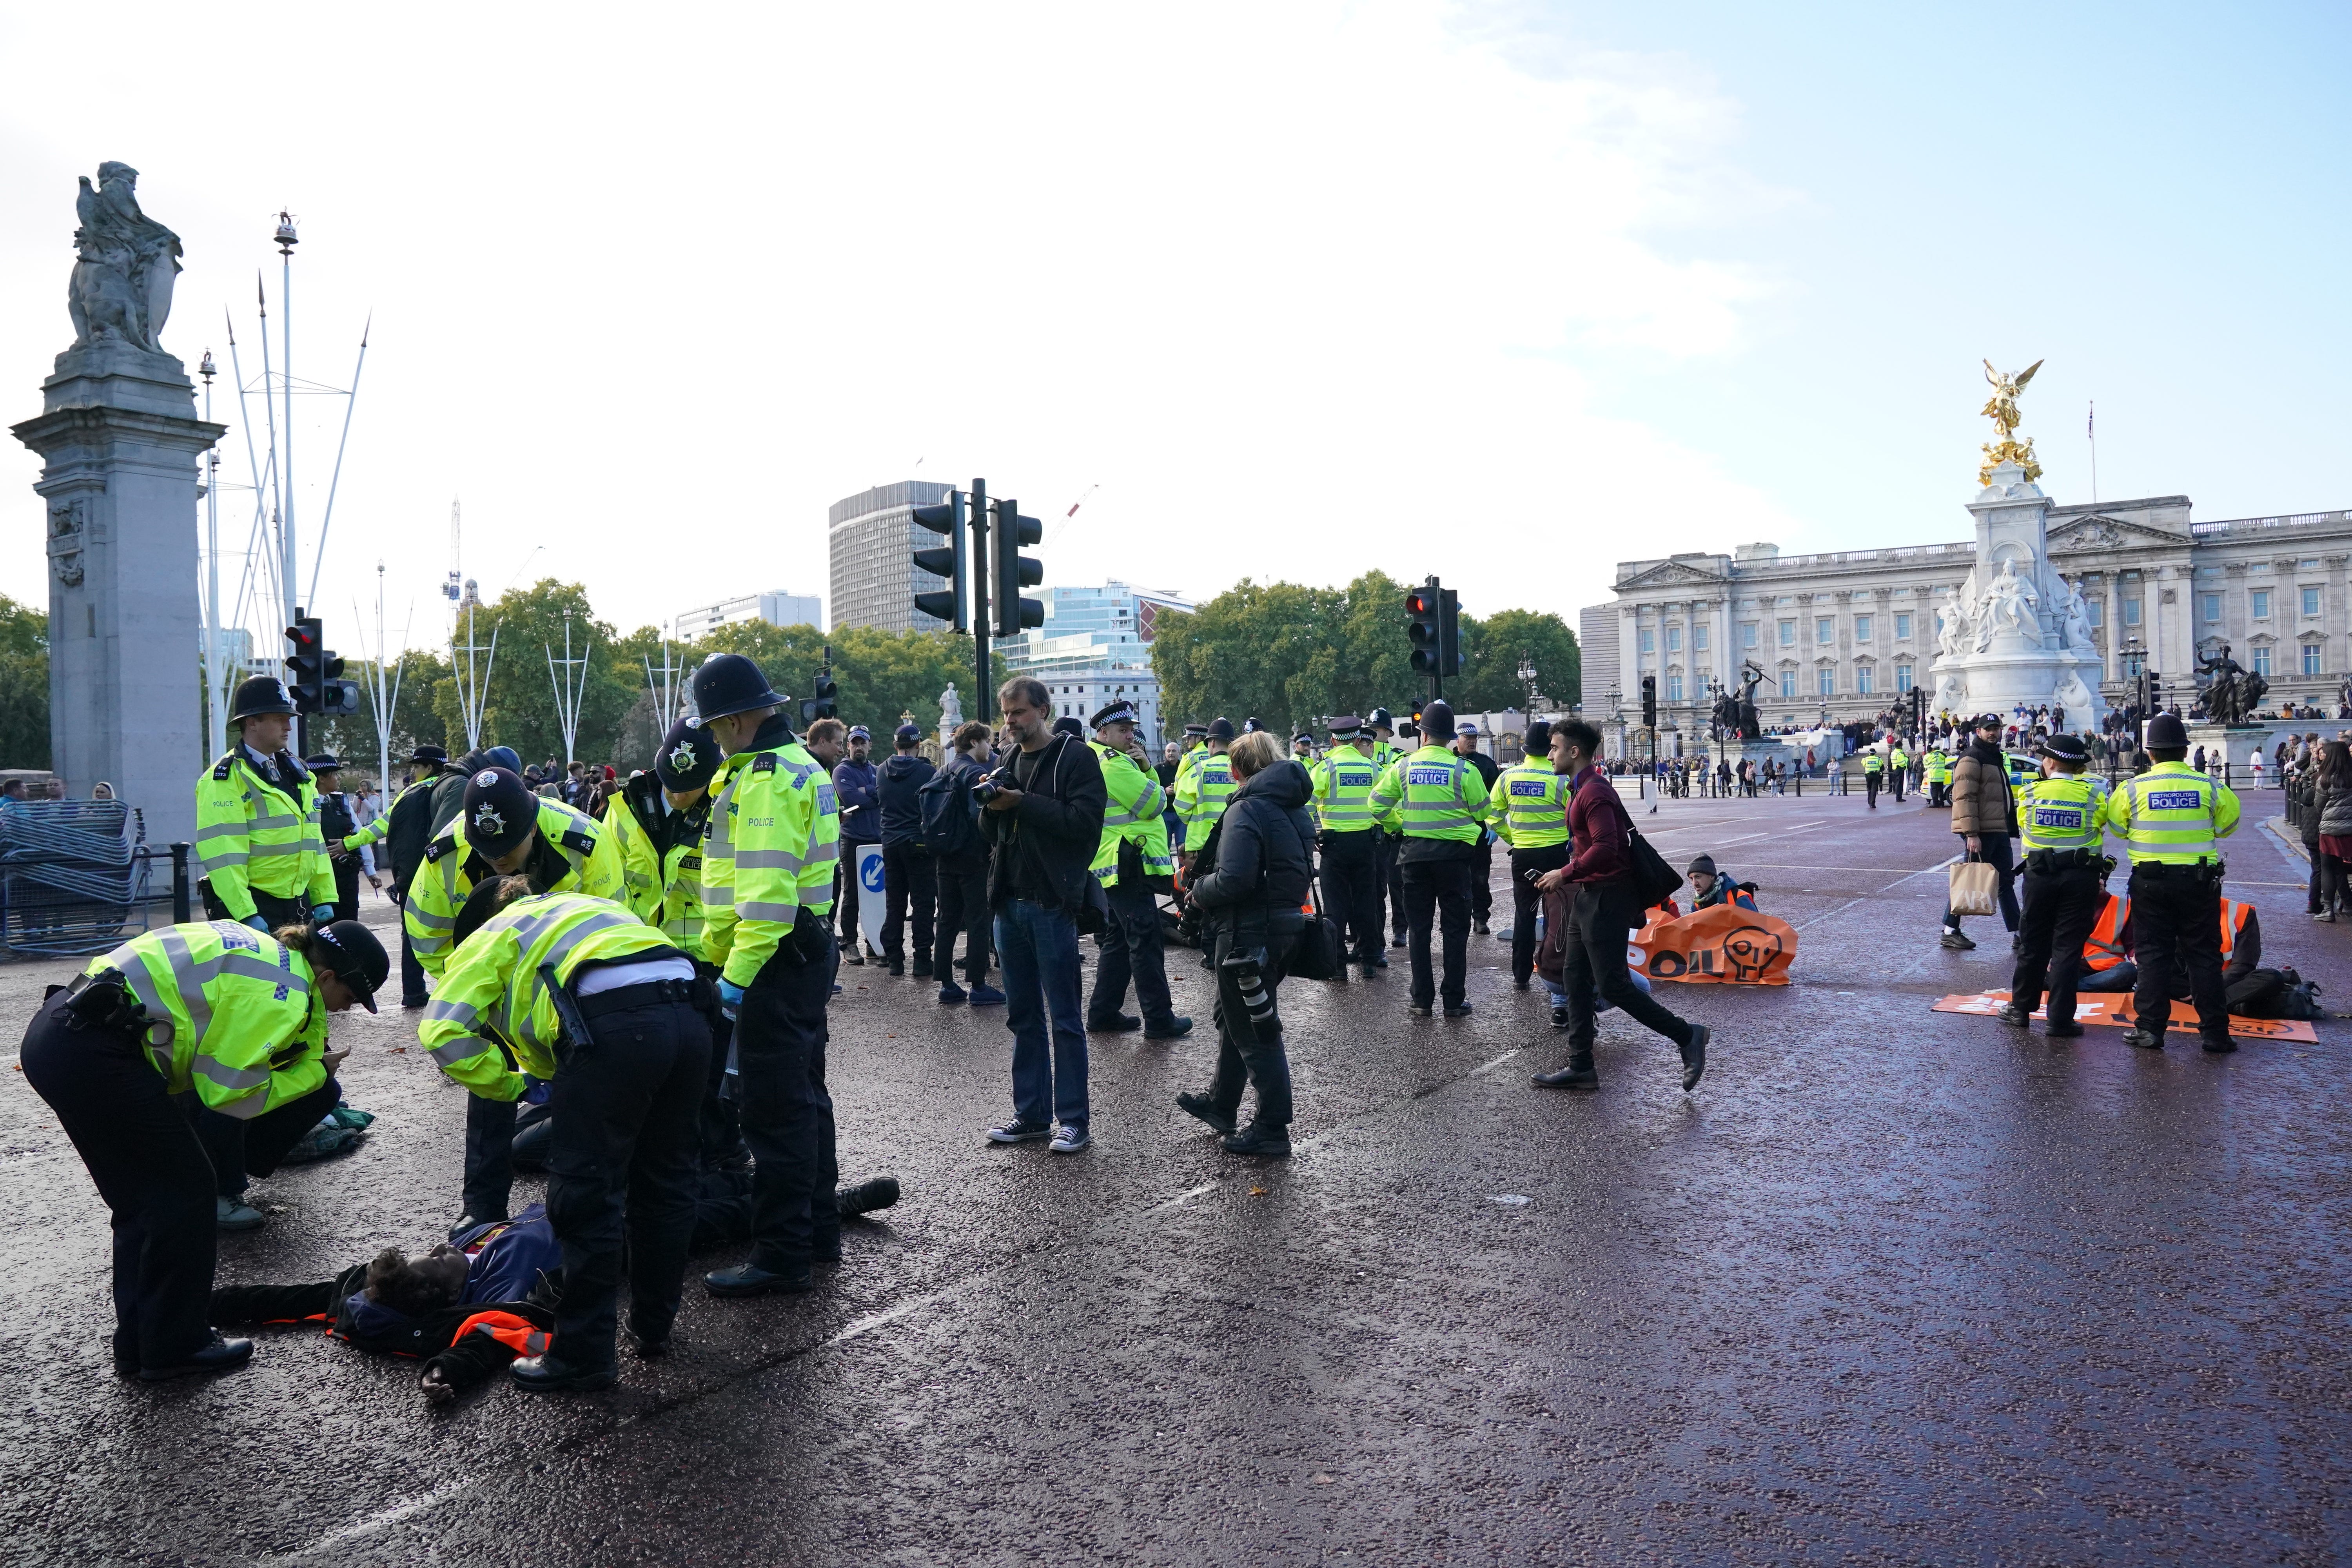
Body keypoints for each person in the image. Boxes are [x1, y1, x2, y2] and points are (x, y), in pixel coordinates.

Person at [20, 917, 385, 1379]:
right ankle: (175, 1346)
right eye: (350, 998)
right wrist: (316, 1073)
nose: (346, 1010)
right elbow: (231, 1094)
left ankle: (143, 1342)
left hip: (65, 1033)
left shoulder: (266, 955)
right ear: (327, 976)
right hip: (99, 1049)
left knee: (145, 1204)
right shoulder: (286, 993)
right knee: (188, 1193)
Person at [421, 880, 708, 1390]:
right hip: (690, 1014)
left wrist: (510, 1085)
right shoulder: (585, 909)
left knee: (586, 1198)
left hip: (614, 1028)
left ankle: (583, 1354)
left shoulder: (492, 935)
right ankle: (653, 1327)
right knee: (667, 1183)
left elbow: (440, 1030)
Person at [408, 766, 626, 1232]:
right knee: (490, 1081)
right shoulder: (446, 856)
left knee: (586, 1078)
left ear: (533, 828)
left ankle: (586, 1201)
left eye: (507, 853)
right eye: (487, 854)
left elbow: (615, 923)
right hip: (490, 974)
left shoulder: (582, 841)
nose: (497, 863)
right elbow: (428, 935)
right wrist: (473, 994)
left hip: (573, 981)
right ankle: (482, 1209)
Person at [693, 652, 844, 1298]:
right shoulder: (795, 766)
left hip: (773, 960)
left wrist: (733, 979)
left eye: (716, 725)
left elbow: (763, 896)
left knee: (773, 1111)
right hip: (803, 952)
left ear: (732, 720)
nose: (715, 737)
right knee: (807, 1098)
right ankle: (816, 1232)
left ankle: (782, 1255)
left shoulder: (762, 780)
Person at [1532, 720, 1710, 1092]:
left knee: (1613, 985)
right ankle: (1581, 1065)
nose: (1550, 754)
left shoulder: (1594, 793)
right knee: (1575, 980)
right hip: (1590, 897)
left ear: (1574, 752)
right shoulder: (1582, 788)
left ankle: (1687, 1035)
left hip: (1607, 898)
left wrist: (1564, 873)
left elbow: (1606, 847)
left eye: (1554, 747)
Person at [979, 677, 1108, 1154]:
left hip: (1051, 905)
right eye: (1006, 714)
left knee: (1065, 1019)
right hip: (1008, 905)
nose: (1009, 722)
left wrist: (1022, 803)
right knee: (1022, 1017)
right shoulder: (1008, 759)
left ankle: (1074, 1120)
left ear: (1043, 710)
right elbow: (988, 832)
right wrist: (992, 805)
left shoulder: (1076, 758)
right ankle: (1031, 1114)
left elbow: (1083, 827)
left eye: (1018, 713)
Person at [1175, 730, 1311, 1156]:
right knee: (1232, 1015)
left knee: (1255, 1030)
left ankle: (1272, 1127)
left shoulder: (1247, 808)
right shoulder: (1292, 805)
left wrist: (1198, 891)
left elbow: (1235, 879)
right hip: (1284, 925)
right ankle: (1222, 1102)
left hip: (1246, 933)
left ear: (1237, 770)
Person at [2102, 711, 2242, 1052]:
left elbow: (2118, 829)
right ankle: (2215, 1034)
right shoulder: (2210, 786)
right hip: (2198, 881)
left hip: (2150, 882)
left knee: (2152, 955)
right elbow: (2227, 826)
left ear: (2150, 753)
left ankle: (2150, 1030)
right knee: (2204, 956)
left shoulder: (2132, 788)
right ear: (2184, 751)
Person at [1369, 700, 1489, 1018]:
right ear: (1450, 737)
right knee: (1455, 930)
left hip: (1415, 857)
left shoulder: (1403, 766)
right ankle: (1453, 1000)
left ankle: (1421, 999)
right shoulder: (1465, 769)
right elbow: (1483, 812)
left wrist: (1398, 826)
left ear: (1422, 735)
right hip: (1454, 861)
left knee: (1419, 930)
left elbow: (1377, 805)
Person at [193, 675, 336, 934]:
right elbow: (224, 855)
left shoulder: (299, 774)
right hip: (256, 907)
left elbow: (314, 841)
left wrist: (323, 894)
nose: (289, 727)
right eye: (279, 719)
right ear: (252, 722)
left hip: (298, 905)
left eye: (289, 719)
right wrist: (246, 913)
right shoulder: (225, 779)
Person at [1084, 701, 1189, 1040]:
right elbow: (1155, 803)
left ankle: (1103, 1012)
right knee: (1145, 940)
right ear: (1103, 734)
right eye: (1123, 731)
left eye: (1131, 729)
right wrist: (1148, 771)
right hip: (1127, 863)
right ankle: (1160, 1021)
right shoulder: (1116, 766)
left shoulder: (1103, 759)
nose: (1131, 736)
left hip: (1116, 863)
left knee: (1118, 940)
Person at [1996, 733, 2107, 1038]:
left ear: (2050, 762)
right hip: (2080, 877)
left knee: (2033, 944)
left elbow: (2023, 826)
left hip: (2040, 875)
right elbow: (2100, 823)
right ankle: (2060, 1020)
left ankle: (2021, 1010)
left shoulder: (2031, 793)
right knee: (2068, 949)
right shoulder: (2093, 795)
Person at [344, 743, 452, 1008]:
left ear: (428, 768)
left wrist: (348, 844)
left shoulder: (410, 794)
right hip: (444, 872)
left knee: (411, 931)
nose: (413, 772)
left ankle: (414, 990)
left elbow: (380, 827)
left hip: (410, 873)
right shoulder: (451, 788)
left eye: (416, 767)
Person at [1487, 719, 1569, 992]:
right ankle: (1553, 970)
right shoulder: (1562, 779)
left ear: (1524, 750)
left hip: (1523, 854)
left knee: (1524, 915)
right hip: (1557, 855)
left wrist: (1514, 839)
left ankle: (1521, 975)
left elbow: (1493, 818)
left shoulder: (1508, 777)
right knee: (1558, 914)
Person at [1308, 716, 1388, 978]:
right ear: (1357, 740)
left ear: (1333, 741)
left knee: (1335, 906)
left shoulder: (1325, 768)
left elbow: (1305, 803)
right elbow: (1386, 803)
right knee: (1366, 903)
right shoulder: (1373, 768)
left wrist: (1313, 832)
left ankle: (1338, 965)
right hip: (1366, 845)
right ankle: (1368, 961)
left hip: (1334, 846)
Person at [929, 721, 1002, 1004]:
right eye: (987, 741)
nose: (991, 747)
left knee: (947, 919)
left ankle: (947, 984)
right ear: (974, 742)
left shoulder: (943, 770)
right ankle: (978, 985)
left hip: (945, 853)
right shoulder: (975, 772)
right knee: (978, 918)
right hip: (972, 854)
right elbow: (980, 815)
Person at [1941, 715, 2021, 950]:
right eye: (1988, 729)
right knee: (1968, 882)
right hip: (1983, 831)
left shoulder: (1994, 756)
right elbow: (1964, 798)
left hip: (1998, 828)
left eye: (1996, 728)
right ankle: (1949, 931)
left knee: (2005, 882)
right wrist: (1971, 834)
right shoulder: (1972, 758)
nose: (1993, 732)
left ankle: (2018, 933)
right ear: (1978, 732)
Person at [876, 723, 937, 978]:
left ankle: (895, 960)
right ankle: (922, 959)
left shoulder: (881, 771)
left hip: (890, 844)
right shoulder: (927, 772)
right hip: (918, 843)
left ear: (895, 745)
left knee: (895, 904)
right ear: (918, 744)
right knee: (923, 904)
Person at [829, 723, 882, 966]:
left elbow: (882, 796)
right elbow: (851, 798)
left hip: (876, 839)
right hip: (853, 839)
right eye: (854, 743)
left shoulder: (876, 769)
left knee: (877, 894)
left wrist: (866, 792)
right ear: (848, 746)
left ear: (869, 745)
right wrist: (871, 793)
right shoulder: (842, 771)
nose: (858, 747)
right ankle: (849, 943)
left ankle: (874, 942)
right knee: (852, 895)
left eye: (863, 743)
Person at [1452, 722, 1500, 933]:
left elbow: (1497, 798)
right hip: (1454, 831)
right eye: (1467, 738)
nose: (1472, 742)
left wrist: (1494, 825)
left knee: (1480, 879)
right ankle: (1454, 919)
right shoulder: (1449, 762)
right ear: (1458, 740)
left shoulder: (1486, 765)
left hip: (1480, 830)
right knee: (1453, 880)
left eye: (1475, 739)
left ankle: (1480, 917)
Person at [306, 754, 364, 922]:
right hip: (320, 883)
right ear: (322, 778)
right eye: (335, 774)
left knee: (349, 928)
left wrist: (370, 869)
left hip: (346, 880)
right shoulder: (304, 805)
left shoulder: (339, 802)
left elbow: (358, 832)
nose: (339, 779)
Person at [1175, 718, 1236, 872]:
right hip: (1235, 840)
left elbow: (1181, 807)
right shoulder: (1241, 770)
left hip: (1203, 844)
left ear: (1212, 742)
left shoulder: (1198, 770)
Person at [2313, 740, 2352, 921]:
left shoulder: (2325, 779)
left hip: (2331, 830)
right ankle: (2349, 903)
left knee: (2329, 868)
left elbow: (2319, 805)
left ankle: (2328, 910)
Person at [1684, 853, 1758, 912]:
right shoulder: (1698, 902)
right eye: (1691, 879)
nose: (1695, 883)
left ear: (1712, 876)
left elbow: (1756, 927)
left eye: (1698, 877)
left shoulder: (1738, 897)